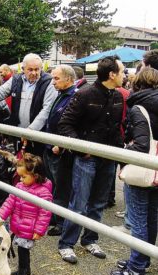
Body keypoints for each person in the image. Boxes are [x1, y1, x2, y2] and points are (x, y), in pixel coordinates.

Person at [57, 55, 125, 264]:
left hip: (108, 158)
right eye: (122, 71)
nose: (125, 75)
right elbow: (65, 124)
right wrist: (81, 149)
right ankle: (66, 244)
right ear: (112, 74)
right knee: (79, 202)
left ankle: (90, 239)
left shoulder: (118, 97)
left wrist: (121, 156)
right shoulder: (85, 94)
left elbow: (115, 129)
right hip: (86, 159)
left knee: (98, 203)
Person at [111, 67, 158, 275]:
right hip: (156, 171)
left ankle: (137, 268)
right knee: (151, 217)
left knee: (139, 219)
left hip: (142, 170)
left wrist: (120, 151)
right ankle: (142, 259)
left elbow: (141, 145)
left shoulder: (139, 107)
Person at [0, 53, 58, 156]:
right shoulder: (16, 79)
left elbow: (47, 110)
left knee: (36, 167)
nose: (34, 73)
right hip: (19, 133)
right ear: (23, 68)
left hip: (39, 136)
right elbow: (2, 91)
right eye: (30, 69)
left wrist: (30, 130)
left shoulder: (48, 82)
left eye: (37, 69)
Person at [0, 153, 52, 275]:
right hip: (18, 225)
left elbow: (45, 213)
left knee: (22, 250)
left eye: (23, 176)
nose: (20, 180)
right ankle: (26, 269)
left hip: (29, 228)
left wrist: (39, 230)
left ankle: (22, 274)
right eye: (19, 177)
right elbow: (9, 202)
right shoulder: (20, 187)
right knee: (22, 248)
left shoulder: (43, 193)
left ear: (36, 176)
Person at [43, 65, 77, 236]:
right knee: (53, 184)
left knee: (62, 187)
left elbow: (71, 123)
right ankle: (55, 216)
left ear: (69, 79)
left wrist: (61, 145)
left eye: (56, 78)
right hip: (50, 146)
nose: (53, 82)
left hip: (60, 150)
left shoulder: (73, 96)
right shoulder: (61, 94)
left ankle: (61, 221)